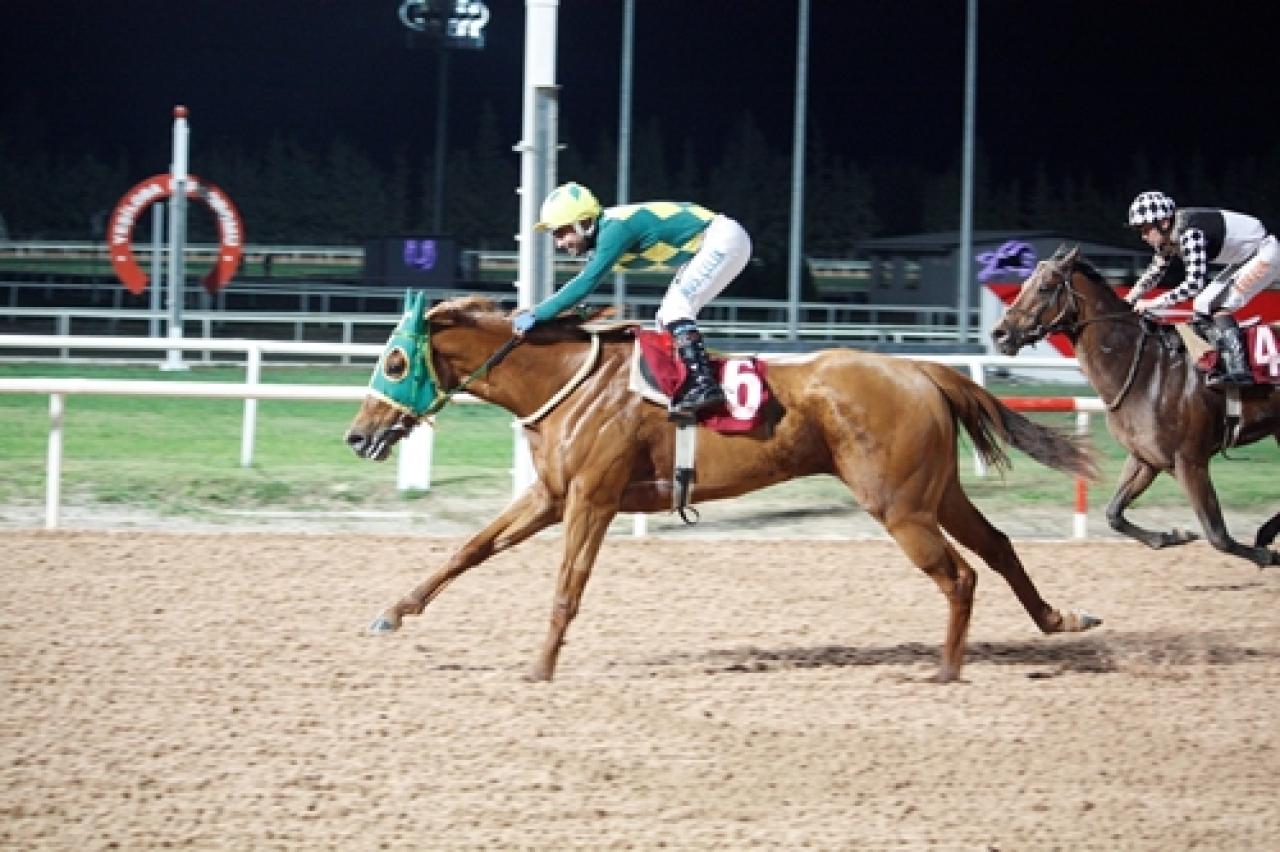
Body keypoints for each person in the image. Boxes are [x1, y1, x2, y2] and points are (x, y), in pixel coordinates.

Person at [511, 181, 752, 416]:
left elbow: (584, 284)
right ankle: (688, 384)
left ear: (584, 222)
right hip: (713, 242)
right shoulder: (603, 238)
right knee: (664, 319)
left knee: (675, 311)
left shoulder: (613, 231)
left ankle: (704, 384)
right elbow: (583, 287)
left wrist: (537, 313)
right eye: (556, 235)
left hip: (722, 240)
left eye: (563, 232)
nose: (559, 243)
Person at [1125, 190, 1277, 384]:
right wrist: (1130, 298)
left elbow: (1194, 284)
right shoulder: (1171, 233)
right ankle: (1221, 360)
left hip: (1265, 254)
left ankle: (1240, 370)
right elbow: (1154, 272)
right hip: (1247, 257)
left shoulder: (1190, 233)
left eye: (1145, 229)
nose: (1143, 237)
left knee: (1219, 306)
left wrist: (1153, 303)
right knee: (1202, 304)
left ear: (1163, 223)